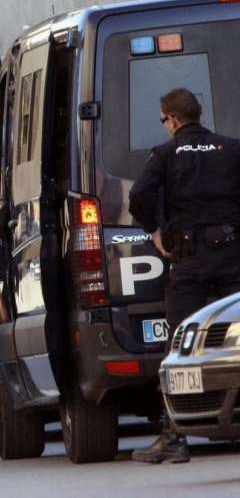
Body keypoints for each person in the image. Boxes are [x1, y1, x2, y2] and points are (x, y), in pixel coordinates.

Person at [129, 88, 240, 464]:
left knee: (180, 343)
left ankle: (174, 437)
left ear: (172, 119)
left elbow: (139, 196)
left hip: (189, 260)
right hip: (231, 257)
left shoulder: (165, 155)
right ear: (199, 114)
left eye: (164, 121)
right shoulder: (231, 148)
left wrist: (155, 231)